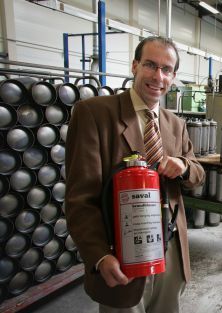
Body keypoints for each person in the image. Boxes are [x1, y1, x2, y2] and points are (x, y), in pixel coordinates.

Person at [65, 36, 205, 313]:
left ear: (173, 77)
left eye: (166, 69)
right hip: (122, 252)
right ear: (134, 66)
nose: (158, 76)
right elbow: (80, 199)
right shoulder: (95, 114)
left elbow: (198, 174)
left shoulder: (175, 124)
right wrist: (99, 255)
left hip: (170, 249)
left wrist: (184, 166)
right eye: (150, 65)